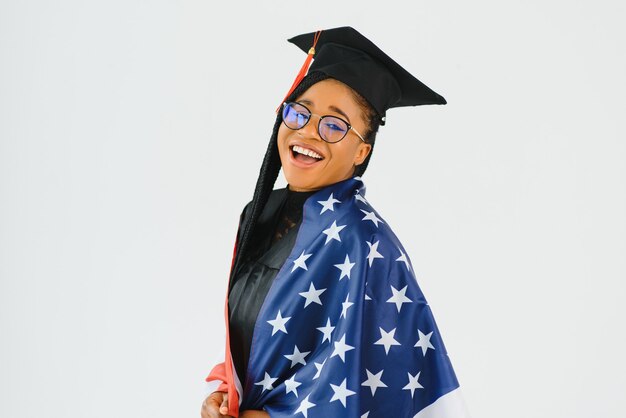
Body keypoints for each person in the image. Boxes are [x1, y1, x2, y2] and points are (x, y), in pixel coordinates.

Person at [201, 26, 469, 418]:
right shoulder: (259, 214)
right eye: (300, 111)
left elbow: (358, 380)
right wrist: (224, 395)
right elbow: (260, 346)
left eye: (334, 124)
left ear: (362, 150)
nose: (308, 130)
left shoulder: (364, 239)